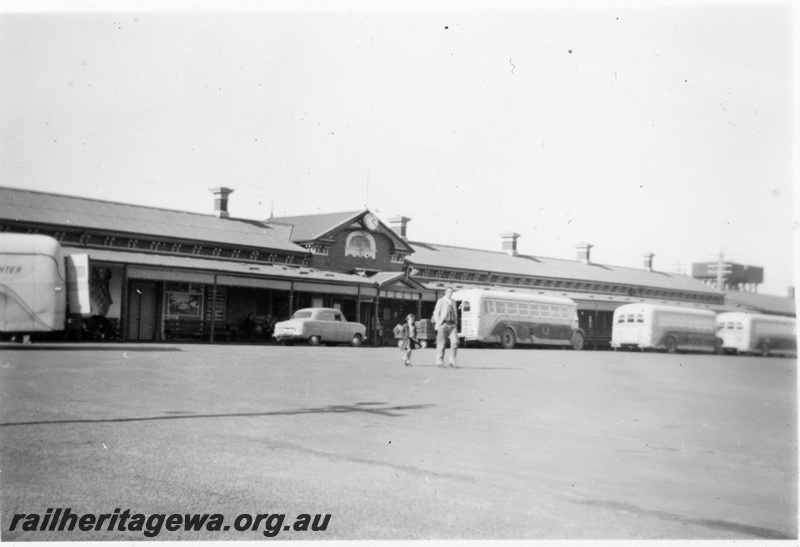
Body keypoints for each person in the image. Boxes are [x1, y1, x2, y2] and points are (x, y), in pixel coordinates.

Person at [432, 287, 459, 368]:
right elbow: (436, 312)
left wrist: (456, 321)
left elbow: (455, 312)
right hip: (444, 324)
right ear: (445, 292)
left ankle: (452, 361)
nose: (450, 293)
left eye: (451, 292)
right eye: (449, 291)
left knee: (455, 342)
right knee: (441, 344)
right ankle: (439, 362)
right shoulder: (441, 301)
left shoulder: (453, 301)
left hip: (453, 325)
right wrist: (438, 322)